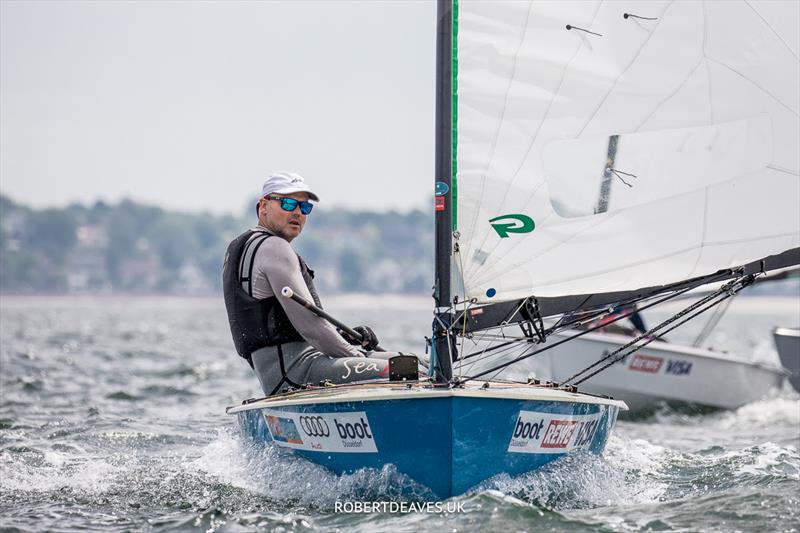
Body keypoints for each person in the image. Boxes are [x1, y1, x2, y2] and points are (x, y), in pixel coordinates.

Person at [223, 171, 407, 396]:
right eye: (288, 203)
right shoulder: (274, 247)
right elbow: (311, 326)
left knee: (417, 362)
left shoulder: (241, 246)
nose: (297, 213)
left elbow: (293, 323)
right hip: (296, 375)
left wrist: (341, 336)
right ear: (263, 206)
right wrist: (354, 355)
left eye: (305, 207)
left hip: (301, 368)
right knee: (409, 371)